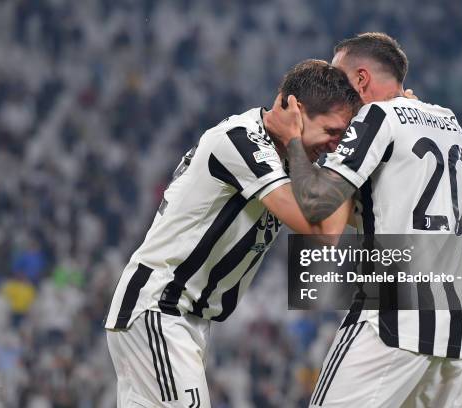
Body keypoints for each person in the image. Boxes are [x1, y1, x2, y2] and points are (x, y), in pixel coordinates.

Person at [104, 59, 361, 408]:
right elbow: (317, 225)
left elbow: (344, 218)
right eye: (332, 132)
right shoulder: (241, 141)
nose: (334, 146)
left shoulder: (289, 160)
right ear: (295, 110)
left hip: (182, 319)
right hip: (159, 308)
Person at [265, 33, 462, 407]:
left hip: (391, 317)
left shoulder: (377, 115)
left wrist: (293, 139)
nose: (336, 92)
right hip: (455, 327)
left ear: (361, 80)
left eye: (341, 80)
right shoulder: (449, 121)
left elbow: (315, 203)